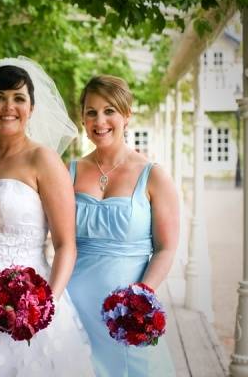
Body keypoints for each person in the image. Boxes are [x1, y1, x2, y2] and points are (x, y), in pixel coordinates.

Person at [0, 57, 95, 376]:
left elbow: (67, 245)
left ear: (32, 107)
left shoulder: (44, 160)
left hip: (28, 297)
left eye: (18, 98)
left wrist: (44, 305)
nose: (8, 106)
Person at [67, 75, 178, 376]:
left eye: (109, 110)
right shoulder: (69, 172)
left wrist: (142, 295)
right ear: (83, 118)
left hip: (128, 311)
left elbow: (166, 248)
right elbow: (61, 242)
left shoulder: (153, 175)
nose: (99, 120)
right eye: (91, 112)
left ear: (127, 115)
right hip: (76, 305)